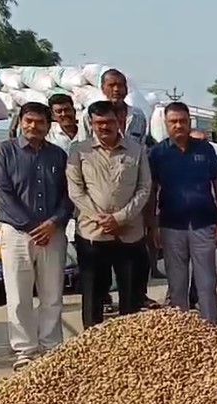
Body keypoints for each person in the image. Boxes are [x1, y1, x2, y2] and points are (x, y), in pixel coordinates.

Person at [0, 102, 74, 371]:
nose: (33, 127)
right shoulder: (5, 152)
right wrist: (30, 225)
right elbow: (2, 193)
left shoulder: (58, 156)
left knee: (52, 294)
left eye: (39, 122)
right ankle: (25, 350)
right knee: (18, 294)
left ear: (49, 126)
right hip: (17, 234)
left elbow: (68, 194)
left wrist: (53, 223)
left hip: (53, 233)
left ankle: (51, 347)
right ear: (20, 121)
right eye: (29, 121)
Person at [66, 100, 151, 328]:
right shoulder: (78, 151)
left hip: (129, 234)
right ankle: (92, 348)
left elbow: (144, 188)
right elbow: (76, 191)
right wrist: (102, 219)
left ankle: (127, 348)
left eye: (110, 122)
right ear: (91, 124)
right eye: (99, 123)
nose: (105, 127)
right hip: (93, 234)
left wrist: (120, 218)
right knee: (93, 294)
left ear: (119, 121)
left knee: (131, 296)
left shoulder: (137, 150)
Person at [147, 102, 217, 325]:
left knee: (207, 282)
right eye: (173, 122)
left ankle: (211, 329)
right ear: (166, 124)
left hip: (204, 223)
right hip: (172, 226)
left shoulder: (204, 149)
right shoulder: (157, 153)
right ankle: (182, 333)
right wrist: (153, 226)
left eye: (182, 121)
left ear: (189, 122)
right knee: (177, 283)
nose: (178, 125)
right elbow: (152, 190)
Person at [81, 68, 148, 145]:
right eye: (111, 85)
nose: (116, 89)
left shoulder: (138, 116)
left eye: (120, 85)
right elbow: (83, 146)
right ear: (103, 88)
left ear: (126, 89)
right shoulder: (90, 114)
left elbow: (142, 147)